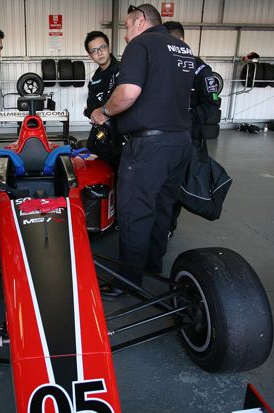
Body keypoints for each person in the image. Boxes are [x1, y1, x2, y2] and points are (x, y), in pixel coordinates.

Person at [90, 4, 194, 290]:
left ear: (140, 21)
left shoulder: (141, 44)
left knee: (135, 210)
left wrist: (104, 112)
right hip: (181, 142)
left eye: (126, 27)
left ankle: (128, 280)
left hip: (150, 146)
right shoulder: (182, 48)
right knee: (162, 207)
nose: (125, 36)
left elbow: (128, 93)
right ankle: (152, 267)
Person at [164, 21, 222, 238]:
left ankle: (168, 226)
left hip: (187, 137)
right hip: (160, 137)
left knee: (176, 184)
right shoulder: (161, 67)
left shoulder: (200, 69)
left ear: (178, 42)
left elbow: (212, 105)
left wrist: (186, 115)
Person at [82, 31, 122, 171]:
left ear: (109, 47)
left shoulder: (122, 70)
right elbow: (91, 104)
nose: (99, 53)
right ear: (90, 55)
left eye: (102, 47)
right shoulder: (94, 79)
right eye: (94, 50)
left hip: (121, 135)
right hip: (101, 132)